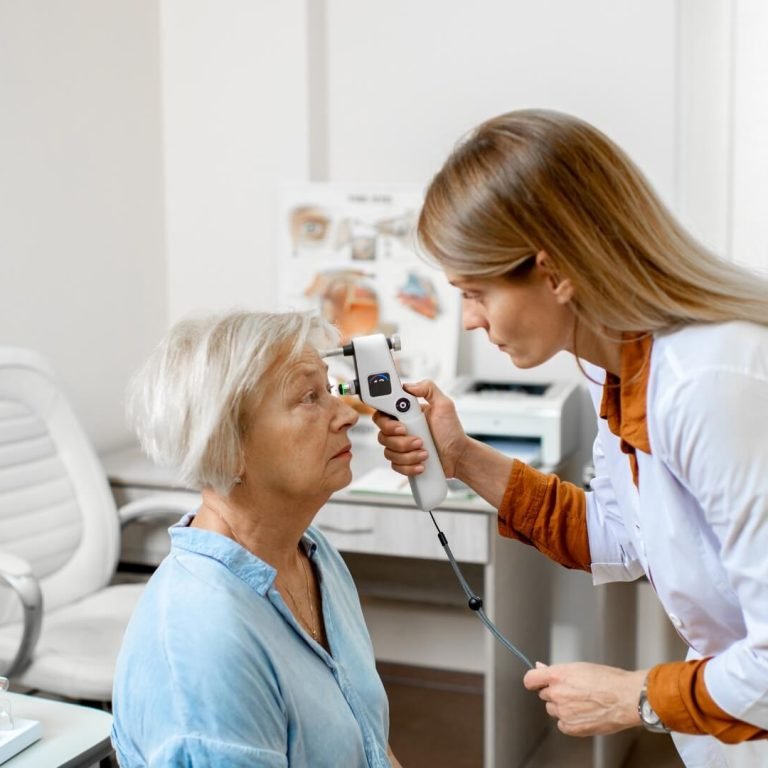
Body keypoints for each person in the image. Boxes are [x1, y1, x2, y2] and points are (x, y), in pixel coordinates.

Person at [373, 109, 768, 768]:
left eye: (476, 293)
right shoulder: (610, 359)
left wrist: (634, 698)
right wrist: (462, 457)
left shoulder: (711, 382)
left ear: (553, 273)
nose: (469, 321)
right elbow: (621, 538)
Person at [111, 310, 402, 768]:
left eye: (330, 390)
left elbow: (370, 743)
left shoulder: (313, 554)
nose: (347, 415)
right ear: (226, 444)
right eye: (309, 397)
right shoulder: (206, 643)